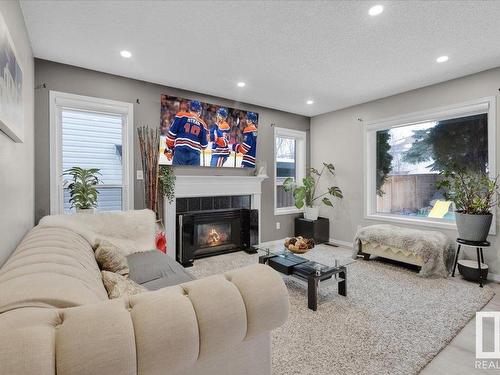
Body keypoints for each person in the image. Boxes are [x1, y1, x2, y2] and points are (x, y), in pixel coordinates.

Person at [166, 100, 208, 166]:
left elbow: (171, 136)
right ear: (199, 111)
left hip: (180, 151)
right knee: (191, 176)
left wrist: (169, 149)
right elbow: (204, 146)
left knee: (177, 174)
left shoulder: (181, 115)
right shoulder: (203, 124)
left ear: (189, 108)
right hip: (195, 154)